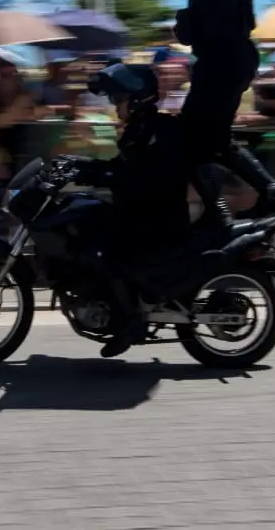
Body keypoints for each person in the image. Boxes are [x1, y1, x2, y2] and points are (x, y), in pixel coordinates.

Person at [142, 0, 275, 226]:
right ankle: (270, 197)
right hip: (229, 60)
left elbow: (202, 28)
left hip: (222, 61)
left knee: (192, 141)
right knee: (214, 141)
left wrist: (185, 23)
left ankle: (222, 211)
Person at [72, 62, 194, 358]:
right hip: (142, 211)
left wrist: (97, 176)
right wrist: (79, 165)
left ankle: (132, 321)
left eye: (119, 100)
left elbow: (140, 177)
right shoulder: (138, 130)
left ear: (139, 99)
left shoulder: (161, 130)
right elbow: (121, 168)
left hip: (159, 218)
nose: (115, 106)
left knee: (103, 251)